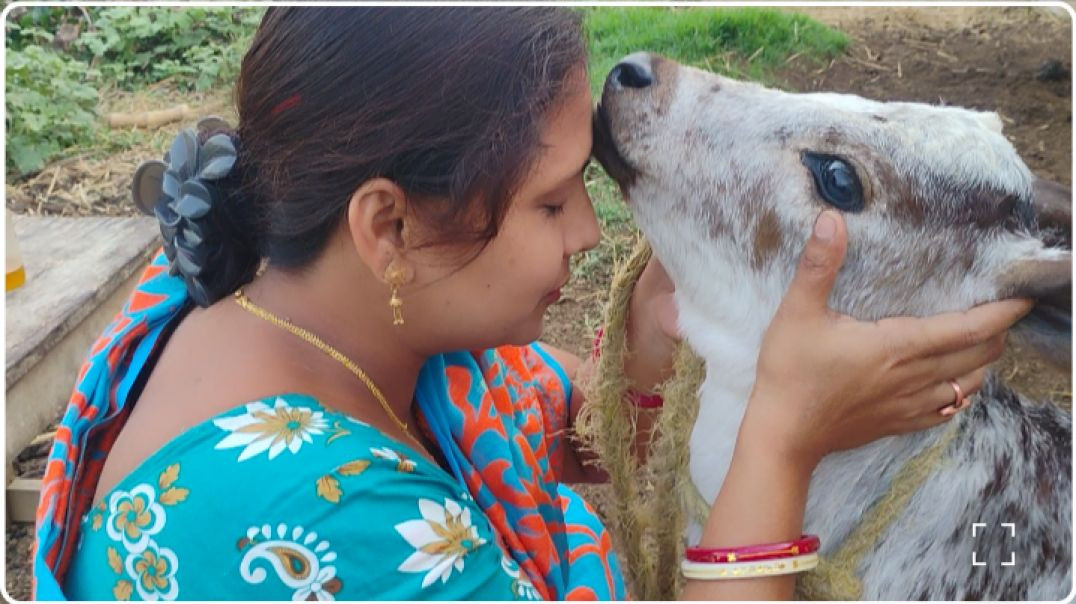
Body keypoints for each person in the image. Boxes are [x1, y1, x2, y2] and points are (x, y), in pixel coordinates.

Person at [32, 7, 1031, 601]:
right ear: (389, 226)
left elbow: (572, 433)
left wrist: (652, 341)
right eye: (551, 203)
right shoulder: (316, 525)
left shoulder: (317, 308)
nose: (588, 233)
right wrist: (781, 439)